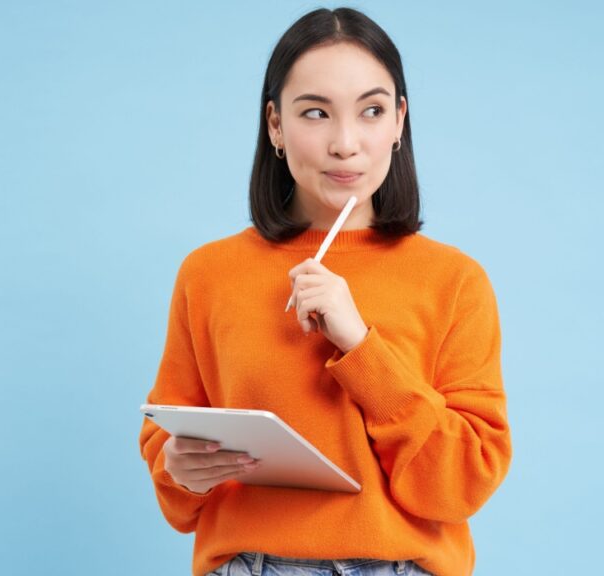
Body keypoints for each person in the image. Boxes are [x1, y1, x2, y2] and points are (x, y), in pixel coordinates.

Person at [138, 7, 512, 576]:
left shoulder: (454, 281)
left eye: (372, 111)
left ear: (399, 122)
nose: (346, 143)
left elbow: (462, 482)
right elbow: (169, 455)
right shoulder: (208, 273)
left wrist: (360, 345)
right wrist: (178, 467)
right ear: (275, 125)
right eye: (315, 112)